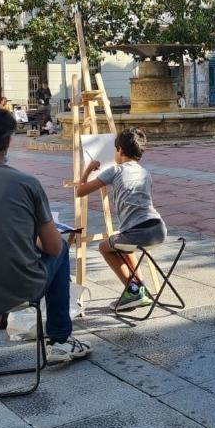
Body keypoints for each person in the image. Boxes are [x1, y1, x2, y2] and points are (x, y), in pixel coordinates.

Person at [0, 107, 91, 377]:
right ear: (9, 141)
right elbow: (53, 247)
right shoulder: (27, 183)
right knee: (61, 250)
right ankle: (59, 341)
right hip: (22, 290)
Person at [76, 128, 166, 310]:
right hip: (159, 229)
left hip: (138, 233)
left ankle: (133, 290)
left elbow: (80, 191)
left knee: (104, 247)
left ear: (120, 151)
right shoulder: (145, 173)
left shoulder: (115, 170)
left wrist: (88, 169)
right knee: (125, 245)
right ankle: (140, 289)